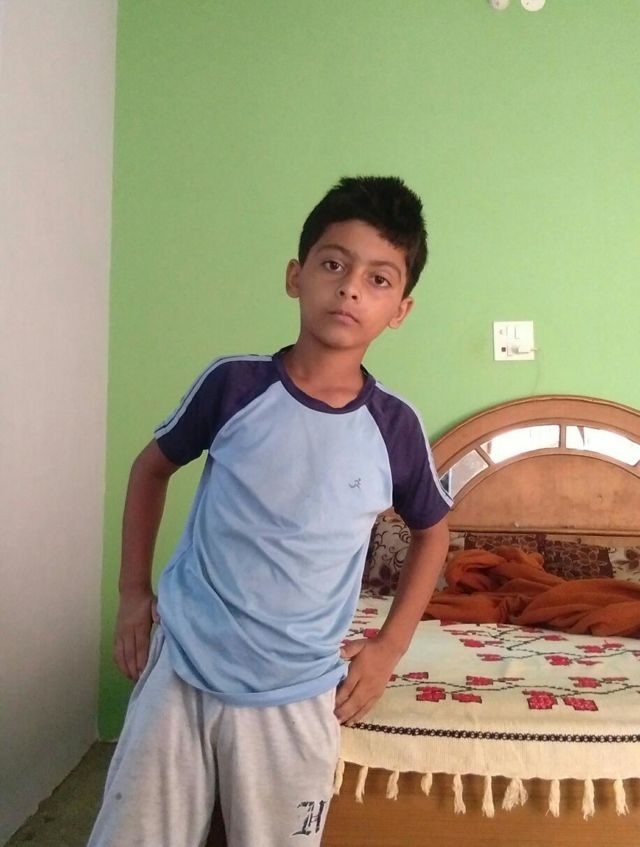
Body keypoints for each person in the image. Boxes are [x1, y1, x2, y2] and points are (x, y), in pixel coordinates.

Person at [88, 176, 452, 847]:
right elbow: (150, 469)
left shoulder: (394, 427)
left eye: (377, 279)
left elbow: (433, 531)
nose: (350, 289)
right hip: (182, 665)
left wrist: (389, 646)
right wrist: (132, 593)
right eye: (334, 264)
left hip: (297, 687)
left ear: (400, 309)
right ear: (296, 275)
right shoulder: (233, 384)